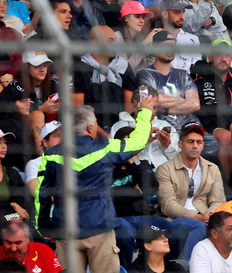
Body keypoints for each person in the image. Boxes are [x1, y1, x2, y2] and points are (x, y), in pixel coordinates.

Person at [36, 95, 157, 273]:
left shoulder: (51, 154)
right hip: (100, 227)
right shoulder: (106, 147)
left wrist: (44, 226)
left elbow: (42, 193)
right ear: (91, 127)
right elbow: (138, 142)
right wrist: (144, 112)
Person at [156, 121, 225, 257]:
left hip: (206, 218)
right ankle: (187, 267)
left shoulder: (212, 168)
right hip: (175, 219)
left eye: (199, 142)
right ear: (180, 144)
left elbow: (218, 200)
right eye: (190, 142)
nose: (195, 146)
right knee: (198, 227)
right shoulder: (165, 169)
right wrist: (196, 217)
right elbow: (168, 205)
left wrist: (209, 216)